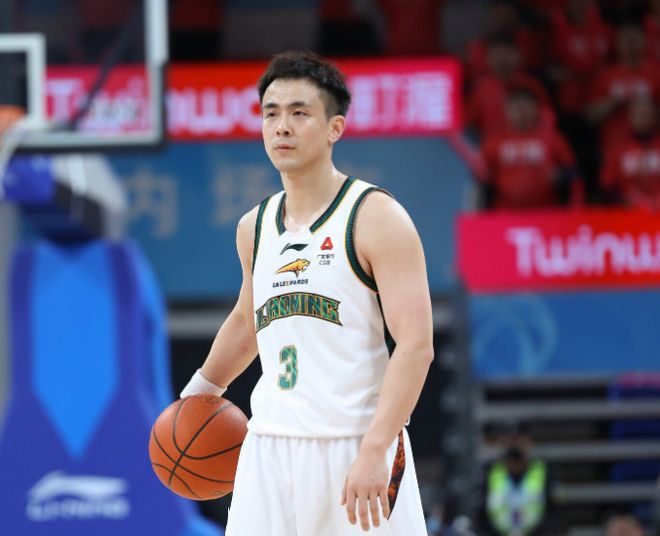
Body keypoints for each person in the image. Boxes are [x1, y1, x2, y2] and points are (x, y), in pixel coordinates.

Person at [180, 51, 433, 535]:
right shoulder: (254, 226)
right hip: (269, 445)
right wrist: (196, 396)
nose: (282, 127)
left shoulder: (376, 216)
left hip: (355, 442)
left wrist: (376, 448)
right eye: (271, 114)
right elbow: (247, 321)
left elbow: (416, 346)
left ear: (335, 127)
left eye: (299, 113)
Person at [479, 87, 582, 210]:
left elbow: (575, 173)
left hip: (546, 211)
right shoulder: (494, 142)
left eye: (526, 107)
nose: (521, 112)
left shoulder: (553, 139)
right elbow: (480, 179)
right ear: (506, 111)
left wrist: (561, 175)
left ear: (537, 109)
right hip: (504, 212)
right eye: (516, 108)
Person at [480, 424, 555, 536]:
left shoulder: (544, 471)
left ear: (529, 443)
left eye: (520, 441)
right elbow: (481, 514)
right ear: (502, 443)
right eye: (510, 441)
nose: (515, 446)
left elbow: (555, 512)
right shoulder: (489, 471)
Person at [600, 94, 660, 209]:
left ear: (654, 117)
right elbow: (607, 185)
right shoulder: (618, 147)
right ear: (631, 117)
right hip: (628, 212)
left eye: (647, 114)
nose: (644, 119)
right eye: (640, 114)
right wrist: (623, 201)